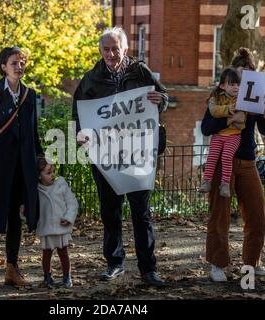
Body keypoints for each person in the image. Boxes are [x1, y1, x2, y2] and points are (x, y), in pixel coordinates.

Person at [72, 27, 168, 287]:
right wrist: (79, 135)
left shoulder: (141, 71)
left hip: (137, 154)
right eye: (106, 49)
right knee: (110, 213)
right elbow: (78, 113)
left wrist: (161, 99)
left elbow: (164, 97)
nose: (111, 54)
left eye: (116, 48)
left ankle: (148, 269)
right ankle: (114, 264)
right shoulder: (91, 79)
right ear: (100, 50)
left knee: (141, 213)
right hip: (106, 156)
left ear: (125, 49)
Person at [0, 46, 43, 292]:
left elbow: (33, 133)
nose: (19, 66)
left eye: (22, 62)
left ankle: (12, 270)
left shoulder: (29, 94)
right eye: (14, 62)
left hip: (20, 168)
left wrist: (40, 159)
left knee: (15, 219)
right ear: (3, 66)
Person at [201, 47, 265, 282]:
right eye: (240, 76)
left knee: (257, 214)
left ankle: (252, 263)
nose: (243, 82)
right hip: (224, 161)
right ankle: (218, 265)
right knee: (219, 214)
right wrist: (228, 116)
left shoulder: (255, 97)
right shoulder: (219, 97)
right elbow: (206, 128)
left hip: (248, 161)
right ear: (233, 77)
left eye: (249, 75)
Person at [198, 67, 246, 197]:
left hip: (233, 135)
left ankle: (225, 184)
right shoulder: (215, 97)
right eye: (232, 84)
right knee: (212, 157)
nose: (236, 87)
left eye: (238, 84)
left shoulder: (241, 99)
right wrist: (227, 110)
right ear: (222, 86)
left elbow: (242, 118)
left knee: (226, 156)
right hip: (218, 136)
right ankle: (206, 181)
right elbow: (213, 110)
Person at [36, 156, 78, 288]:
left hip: (61, 226)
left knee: (63, 252)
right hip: (46, 227)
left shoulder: (61, 185)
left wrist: (68, 217)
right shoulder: (37, 190)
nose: (52, 175)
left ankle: (67, 277)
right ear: (39, 175)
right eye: (48, 173)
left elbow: (72, 203)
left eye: (53, 171)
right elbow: (32, 210)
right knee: (47, 253)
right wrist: (23, 213)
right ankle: (47, 277)